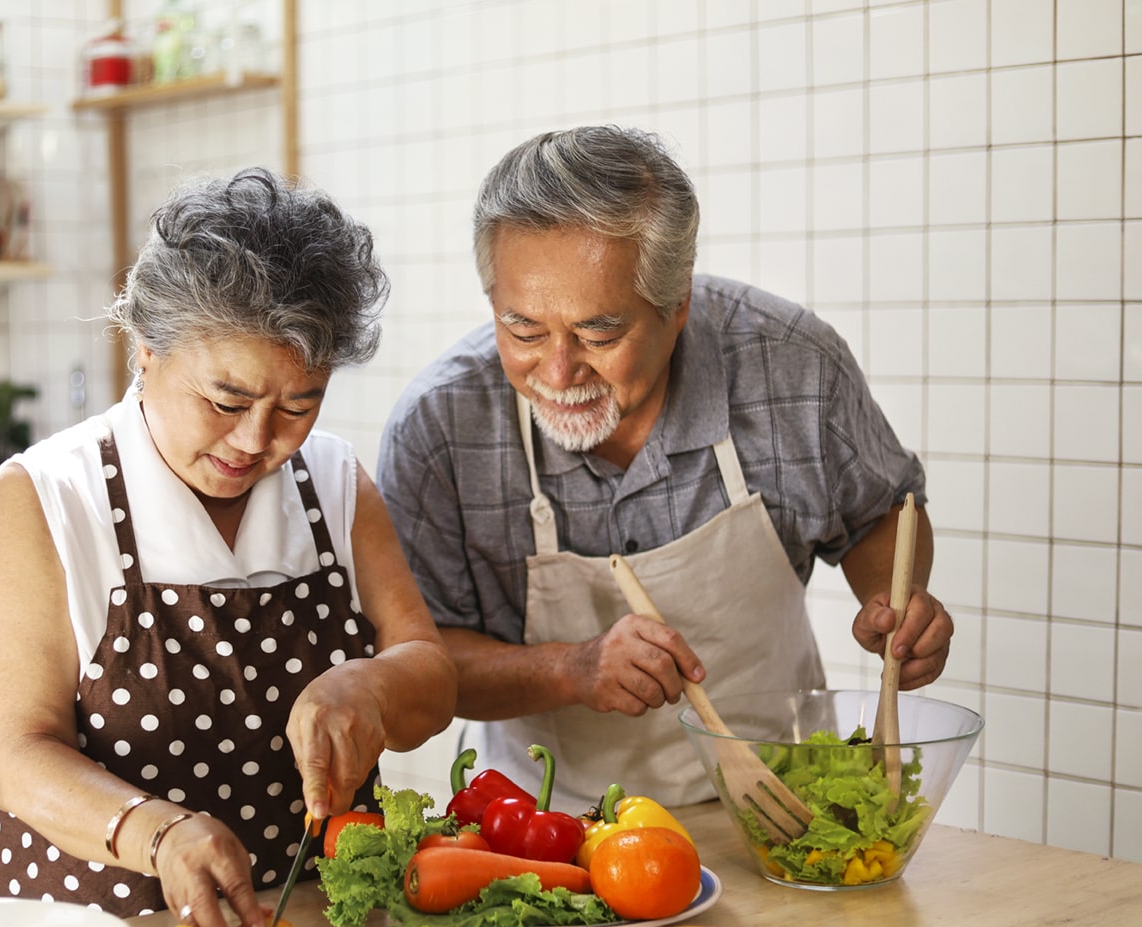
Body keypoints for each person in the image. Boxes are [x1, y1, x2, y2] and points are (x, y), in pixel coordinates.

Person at [376, 126, 953, 816]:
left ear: (677, 306)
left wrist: (896, 603)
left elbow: (880, 513)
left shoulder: (791, 366)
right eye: (523, 330)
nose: (558, 373)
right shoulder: (439, 427)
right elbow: (425, 663)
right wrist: (571, 669)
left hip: (781, 809)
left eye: (599, 333)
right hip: (546, 831)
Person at [0, 167, 456, 927]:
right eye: (225, 402)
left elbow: (430, 678)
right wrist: (157, 834)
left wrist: (372, 683)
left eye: (299, 405)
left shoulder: (333, 483)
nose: (259, 440)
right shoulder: (52, 498)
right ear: (145, 350)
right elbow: (14, 754)